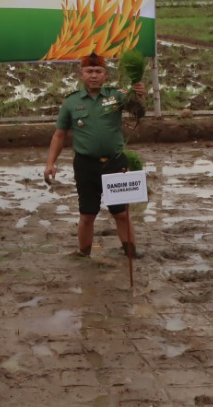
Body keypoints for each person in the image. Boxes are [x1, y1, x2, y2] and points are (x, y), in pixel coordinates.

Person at [44, 53, 147, 257]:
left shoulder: (117, 95)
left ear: (105, 75)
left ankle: (130, 252)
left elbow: (139, 111)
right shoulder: (71, 103)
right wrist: (50, 163)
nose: (93, 75)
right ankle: (83, 254)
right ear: (81, 74)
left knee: (121, 213)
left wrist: (140, 93)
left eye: (98, 71)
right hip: (85, 165)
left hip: (115, 163)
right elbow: (59, 135)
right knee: (87, 215)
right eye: (89, 71)